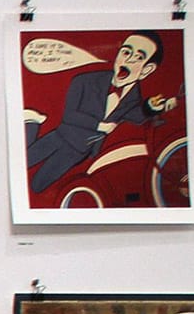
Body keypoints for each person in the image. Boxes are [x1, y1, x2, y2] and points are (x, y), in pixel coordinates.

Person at [25, 32, 175, 195]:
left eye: (138, 57)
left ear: (147, 70)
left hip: (78, 151)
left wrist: (151, 107)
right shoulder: (84, 80)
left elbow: (136, 116)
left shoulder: (134, 97)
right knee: (24, 161)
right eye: (126, 52)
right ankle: (31, 123)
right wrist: (99, 126)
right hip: (60, 136)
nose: (128, 60)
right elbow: (70, 116)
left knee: (37, 185)